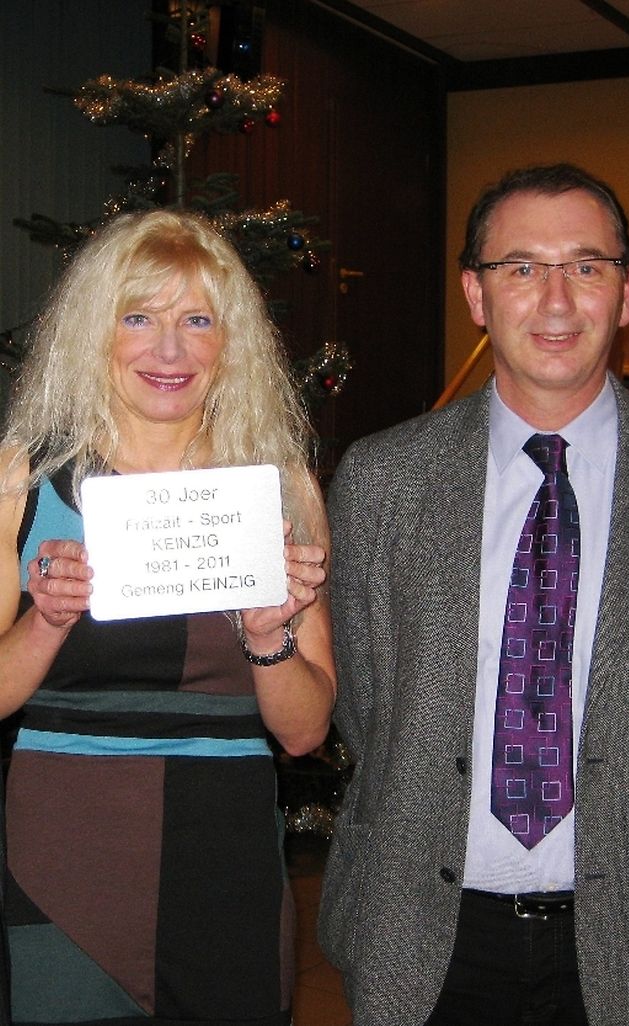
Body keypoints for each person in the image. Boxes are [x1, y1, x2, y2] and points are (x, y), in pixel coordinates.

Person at [319, 163, 629, 1026]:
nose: (556, 300)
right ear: (476, 296)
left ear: (626, 294)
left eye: (586, 266)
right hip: (423, 930)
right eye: (521, 267)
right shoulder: (383, 480)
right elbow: (368, 705)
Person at [0, 208, 336, 1026]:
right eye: (139, 318)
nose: (170, 350)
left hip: (224, 856)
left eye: (197, 321)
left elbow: (304, 732)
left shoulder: (279, 487)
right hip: (62, 851)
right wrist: (46, 621)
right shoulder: (23, 480)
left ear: (232, 341)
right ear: (95, 331)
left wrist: (268, 638)